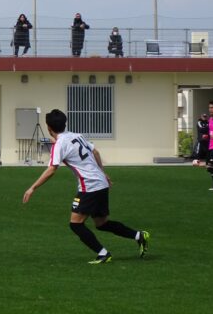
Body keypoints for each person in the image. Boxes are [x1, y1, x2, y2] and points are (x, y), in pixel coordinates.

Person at [22, 109, 150, 264]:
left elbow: (52, 169)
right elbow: (95, 152)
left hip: (89, 186)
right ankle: (139, 236)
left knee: (75, 224)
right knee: (101, 224)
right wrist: (103, 173)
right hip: (100, 183)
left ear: (49, 128)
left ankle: (103, 254)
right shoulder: (77, 135)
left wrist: (32, 188)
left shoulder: (59, 144)